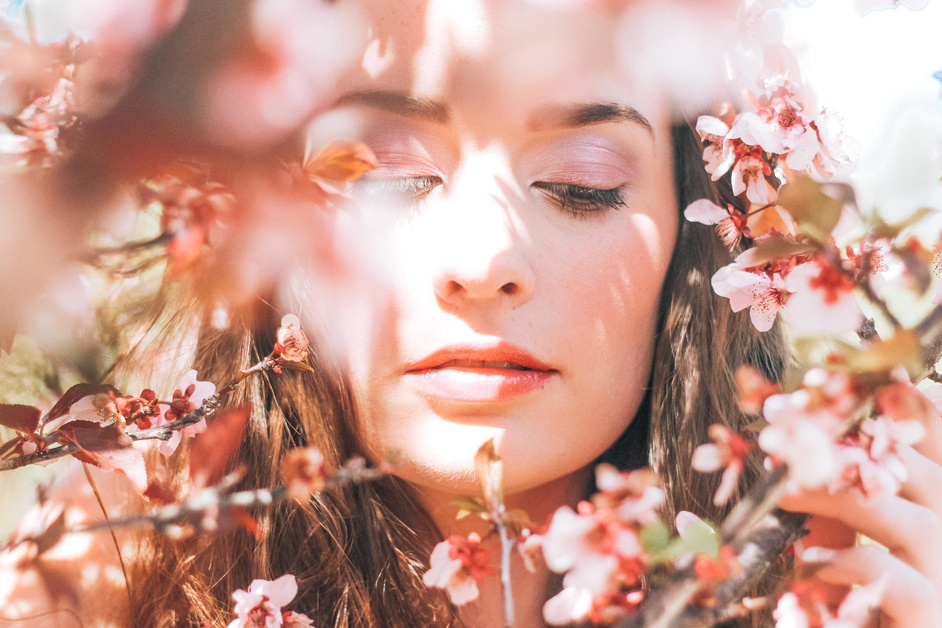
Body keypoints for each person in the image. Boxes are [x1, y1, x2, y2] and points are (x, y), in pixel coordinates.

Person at [2, 1, 941, 627]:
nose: (483, 261)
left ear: (695, 246)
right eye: (394, 174)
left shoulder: (830, 582)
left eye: (583, 184)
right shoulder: (100, 573)